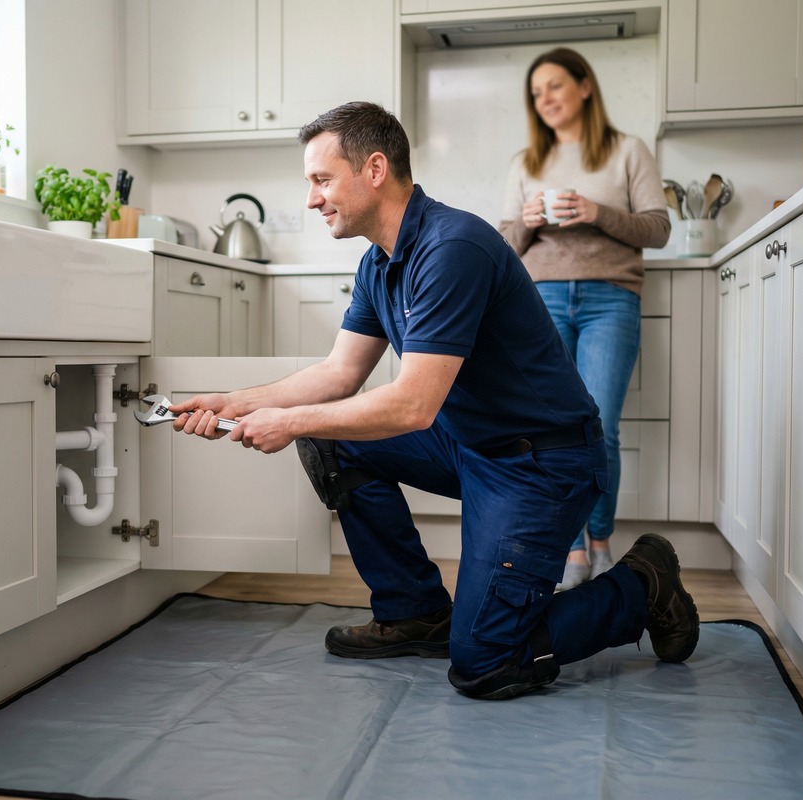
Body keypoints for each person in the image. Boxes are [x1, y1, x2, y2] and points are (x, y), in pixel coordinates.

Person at [171, 101, 698, 700]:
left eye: (321, 180)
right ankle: (413, 613)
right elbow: (339, 373)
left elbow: (411, 407)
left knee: (484, 664)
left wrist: (286, 420)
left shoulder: (453, 248)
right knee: (328, 437)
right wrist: (234, 402)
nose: (312, 199)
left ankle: (642, 583)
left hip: (540, 464)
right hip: (470, 445)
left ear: (374, 169)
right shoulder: (380, 262)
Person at [498, 48, 671, 591]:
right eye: (535, 93)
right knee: (554, 431)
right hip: (541, 302)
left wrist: (597, 213)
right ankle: (571, 550)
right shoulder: (525, 163)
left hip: (609, 299)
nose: (544, 99)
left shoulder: (627, 152)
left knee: (601, 428)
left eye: (554, 86)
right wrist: (524, 224)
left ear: (585, 87)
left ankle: (600, 540)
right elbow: (503, 247)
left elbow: (659, 228)